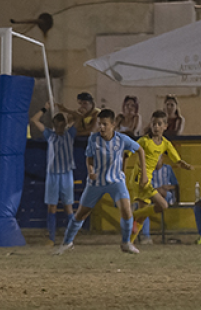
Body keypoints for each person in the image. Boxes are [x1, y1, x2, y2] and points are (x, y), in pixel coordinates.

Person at [55, 109, 146, 255]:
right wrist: (90, 170)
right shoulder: (93, 139)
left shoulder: (121, 139)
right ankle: (67, 242)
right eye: (100, 124)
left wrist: (144, 175)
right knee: (80, 214)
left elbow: (140, 150)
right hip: (96, 182)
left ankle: (126, 242)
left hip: (116, 181)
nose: (101, 127)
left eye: (105, 124)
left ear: (113, 125)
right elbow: (89, 157)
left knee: (126, 210)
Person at [129, 110, 194, 243]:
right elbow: (127, 152)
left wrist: (185, 165)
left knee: (143, 214)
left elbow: (176, 159)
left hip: (147, 180)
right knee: (163, 205)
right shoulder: (144, 141)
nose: (156, 127)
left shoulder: (165, 143)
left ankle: (128, 242)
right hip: (139, 179)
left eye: (159, 124)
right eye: (154, 124)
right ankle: (130, 217)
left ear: (165, 126)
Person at [30, 109, 76, 244]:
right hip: (53, 174)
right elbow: (34, 120)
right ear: (54, 126)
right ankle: (51, 237)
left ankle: (70, 238)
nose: (60, 129)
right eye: (57, 126)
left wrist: (65, 109)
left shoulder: (70, 134)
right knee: (52, 206)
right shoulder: (49, 135)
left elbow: (78, 118)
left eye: (62, 126)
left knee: (68, 206)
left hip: (66, 174)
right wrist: (44, 109)